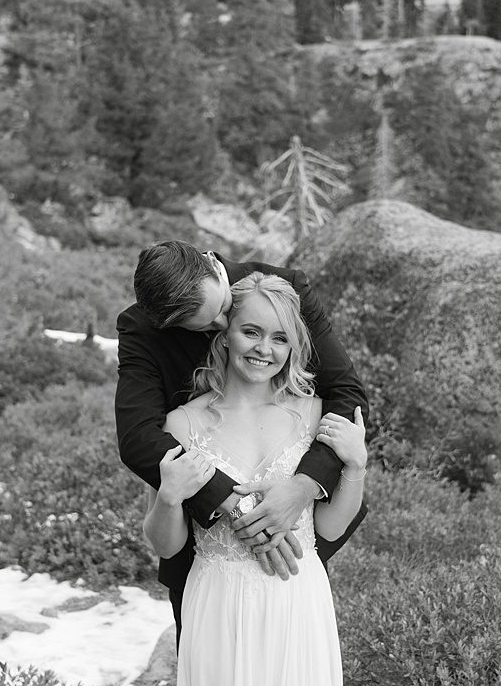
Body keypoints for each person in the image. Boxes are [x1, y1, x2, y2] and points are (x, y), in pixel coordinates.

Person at [115, 241, 368, 641]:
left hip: (293, 553)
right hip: (206, 558)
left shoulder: (284, 289)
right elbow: (137, 439)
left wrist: (303, 487)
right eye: (204, 325)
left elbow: (347, 394)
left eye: (223, 309)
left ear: (215, 268)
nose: (221, 326)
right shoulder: (144, 331)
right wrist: (233, 504)